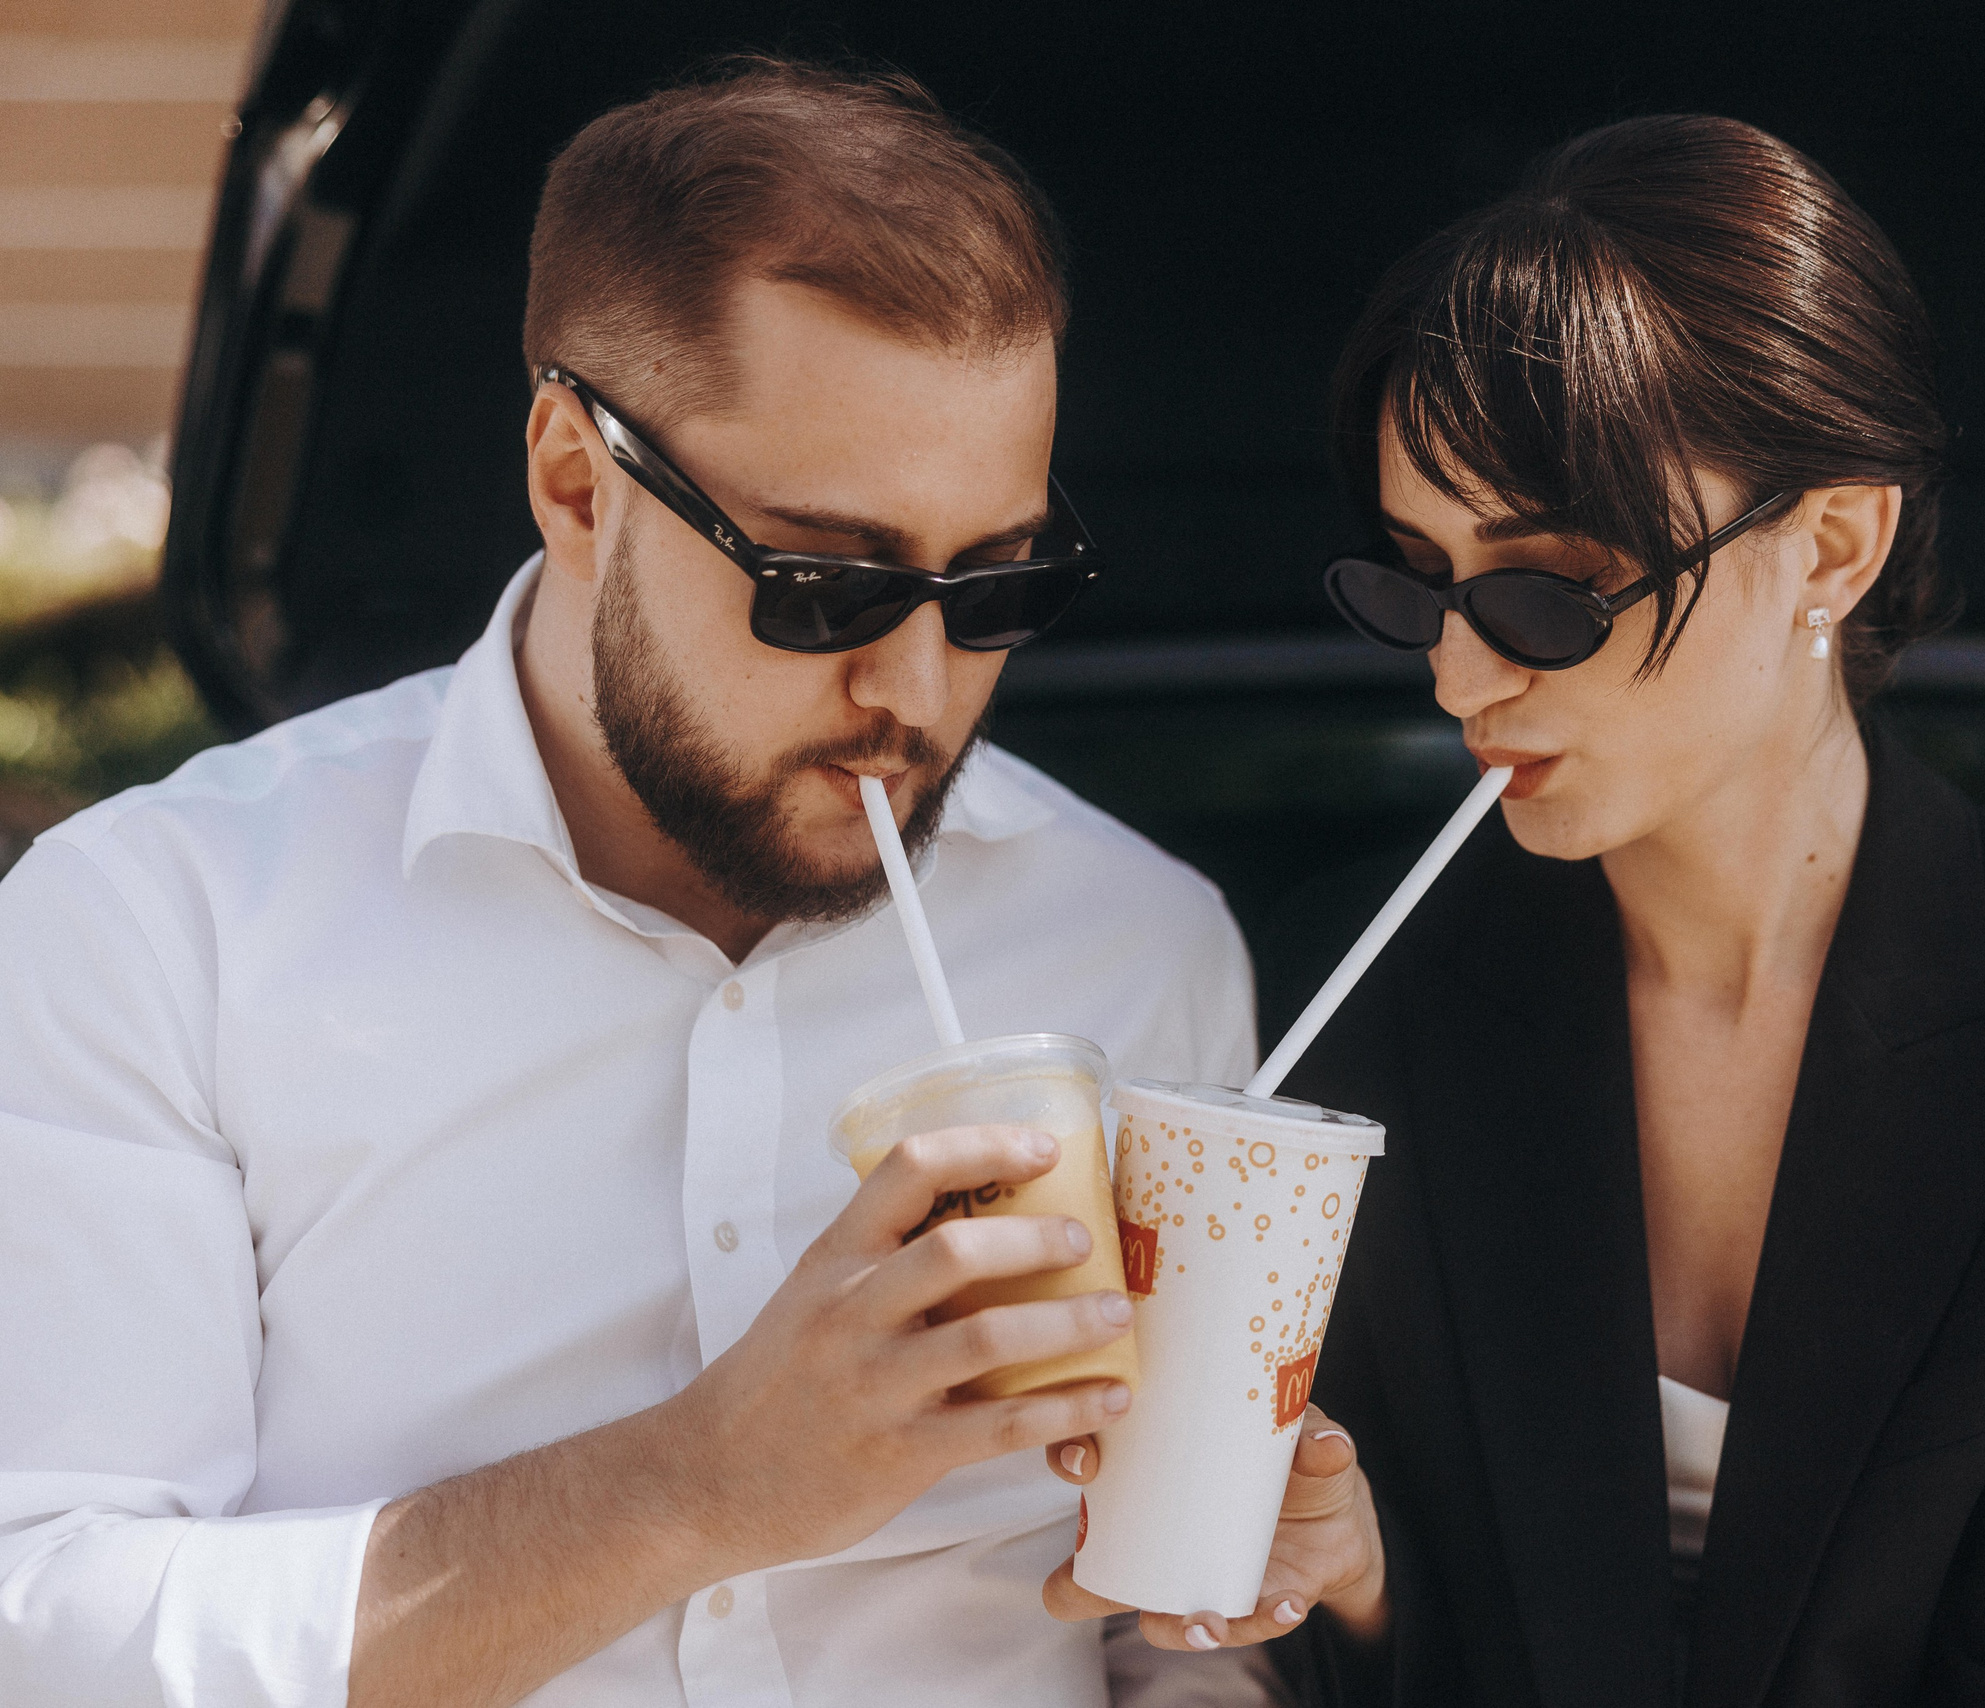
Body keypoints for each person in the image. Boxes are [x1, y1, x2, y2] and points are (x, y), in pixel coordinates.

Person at [0, 61, 1265, 1708]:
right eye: (824, 582)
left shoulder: (1139, 945)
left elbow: (1160, 1643)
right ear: (577, 481)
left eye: (998, 583)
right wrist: (694, 1487)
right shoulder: (155, 933)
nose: (919, 686)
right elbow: (46, 1628)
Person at [1044, 115, 1985, 1705]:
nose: (1456, 671)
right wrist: (1352, 1582)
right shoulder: (1357, 992)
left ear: (1832, 550)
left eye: (1546, 590)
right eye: (1416, 581)